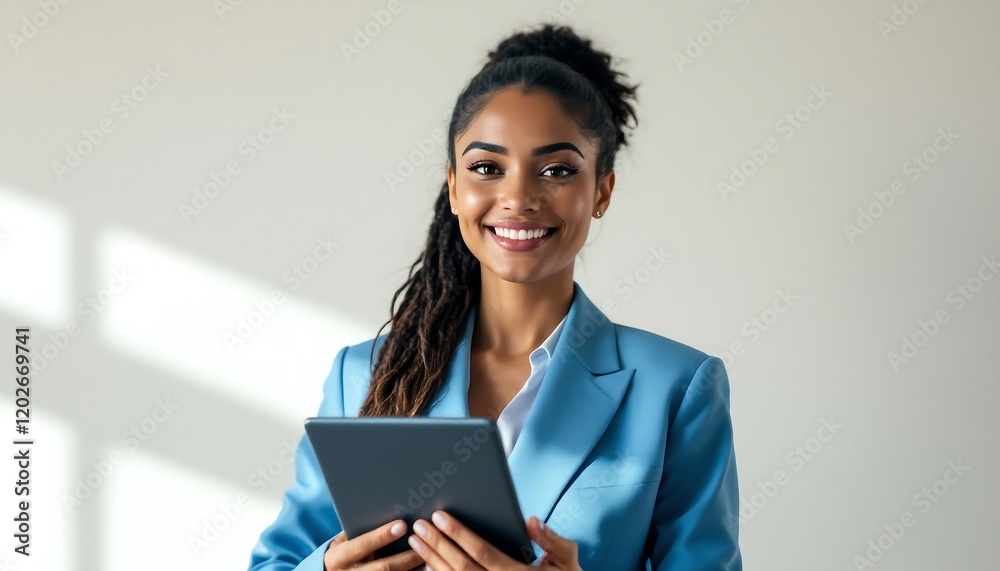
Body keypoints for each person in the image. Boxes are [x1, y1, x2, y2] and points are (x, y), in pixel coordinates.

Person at [248, 22, 742, 571]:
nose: (519, 197)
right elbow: (275, 563)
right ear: (455, 188)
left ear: (601, 190)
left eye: (556, 170)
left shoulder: (676, 389)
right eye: (487, 168)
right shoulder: (363, 374)